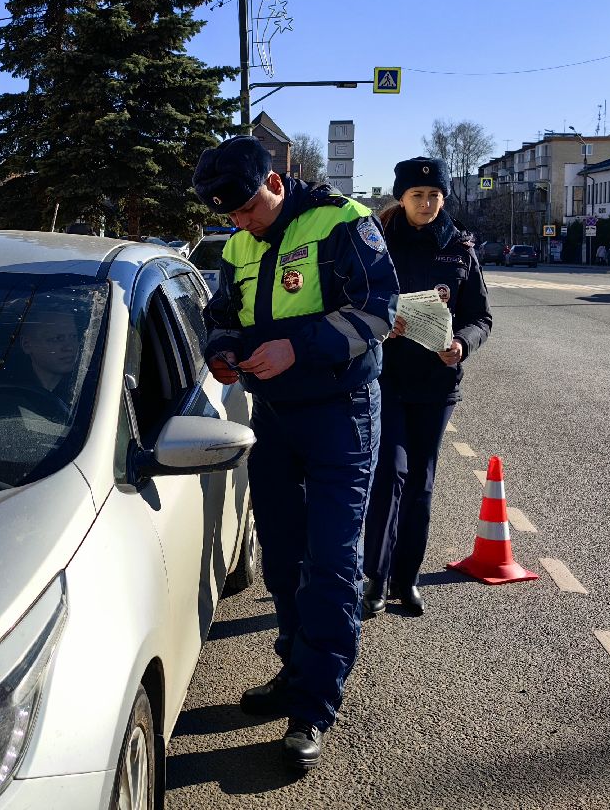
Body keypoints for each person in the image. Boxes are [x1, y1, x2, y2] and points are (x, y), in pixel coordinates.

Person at [193, 135, 399, 772]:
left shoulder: (342, 221)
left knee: (333, 564)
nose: (241, 223)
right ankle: (294, 668)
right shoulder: (237, 244)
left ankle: (313, 707)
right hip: (275, 418)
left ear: (275, 184)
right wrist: (222, 353)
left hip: (342, 415)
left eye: (248, 208)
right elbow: (222, 314)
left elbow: (378, 310)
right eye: (229, 214)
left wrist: (294, 348)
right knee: (282, 558)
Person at [362, 157, 492, 618]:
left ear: (443, 198)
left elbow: (481, 316)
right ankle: (374, 577)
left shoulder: (459, 249)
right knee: (388, 475)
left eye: (434, 195)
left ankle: (406, 578)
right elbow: (354, 298)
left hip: (437, 385)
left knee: (420, 484)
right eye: (417, 195)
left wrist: (462, 342)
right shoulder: (378, 244)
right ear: (401, 197)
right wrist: (383, 322)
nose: (426, 203)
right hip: (386, 377)